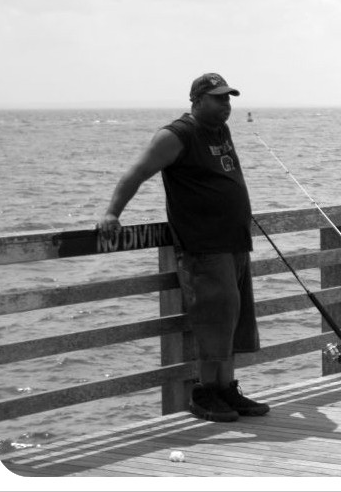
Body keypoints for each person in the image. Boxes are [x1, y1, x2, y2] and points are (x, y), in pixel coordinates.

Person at [97, 73, 269, 423]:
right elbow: (136, 173)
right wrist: (112, 213)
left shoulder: (220, 130)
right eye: (218, 98)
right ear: (197, 100)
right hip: (204, 245)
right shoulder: (176, 135)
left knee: (232, 319)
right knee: (213, 320)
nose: (226, 105)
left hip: (234, 242)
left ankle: (226, 389)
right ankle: (204, 392)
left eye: (228, 98)